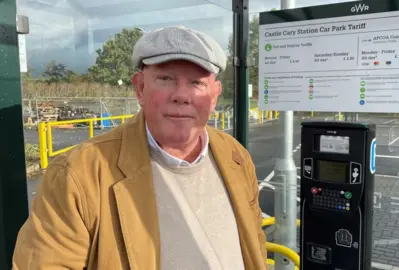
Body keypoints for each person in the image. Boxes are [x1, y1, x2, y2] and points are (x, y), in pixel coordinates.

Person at [12, 26, 267, 270]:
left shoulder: (234, 155)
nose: (181, 95)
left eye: (196, 82)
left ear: (214, 96)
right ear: (140, 88)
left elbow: (254, 243)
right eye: (166, 79)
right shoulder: (78, 174)